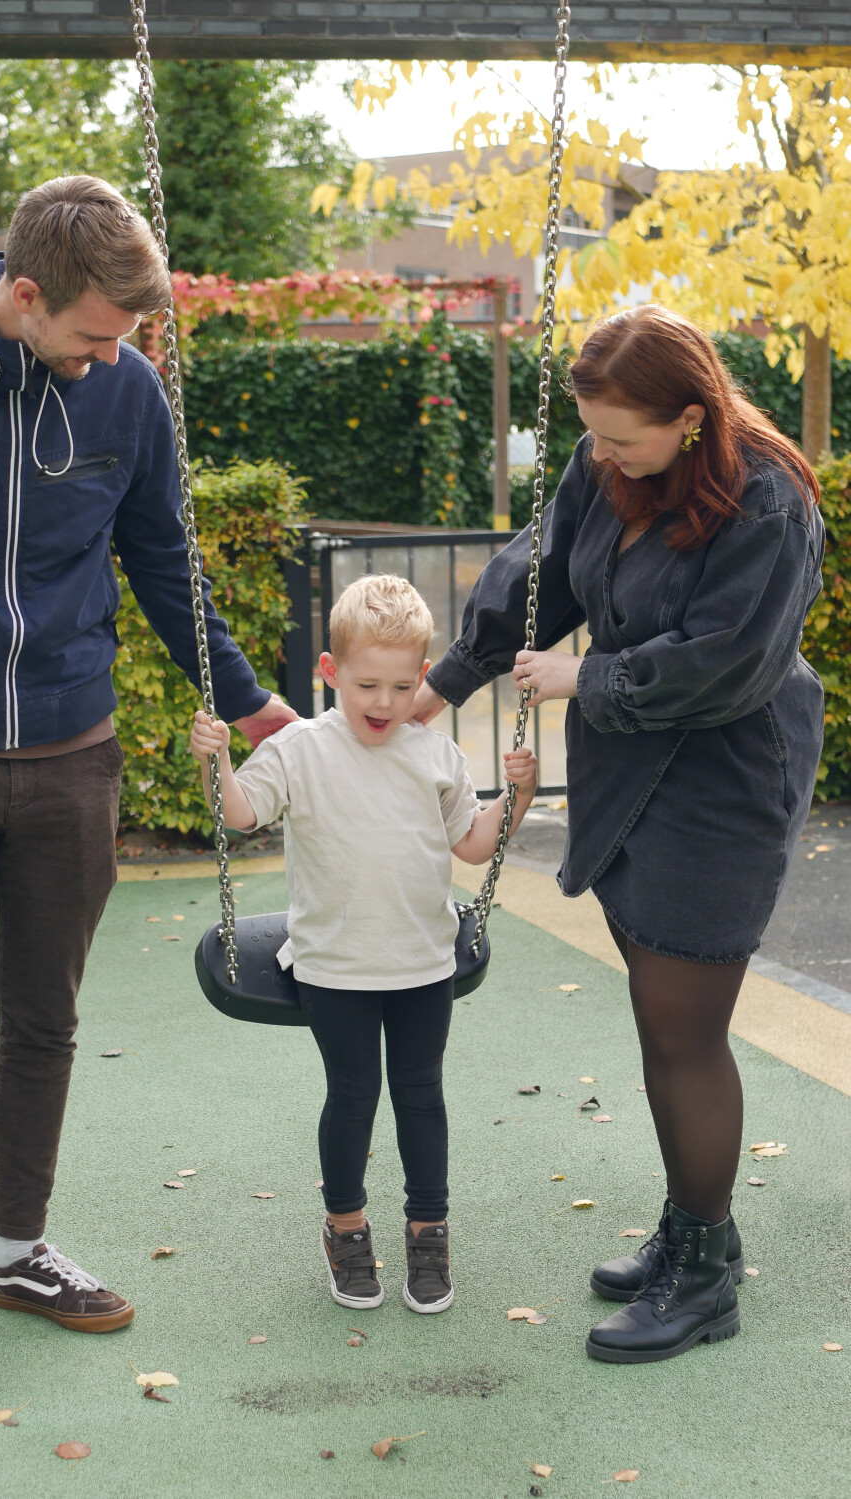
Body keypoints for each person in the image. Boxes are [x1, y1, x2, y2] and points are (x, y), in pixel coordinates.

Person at [0, 175, 296, 1421]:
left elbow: (163, 557)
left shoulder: (127, 389)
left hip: (72, 751)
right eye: (96, 335)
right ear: (25, 292)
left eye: (126, 338)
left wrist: (252, 700)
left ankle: (18, 1250)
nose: (111, 359)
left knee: (44, 1018)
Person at [412, 305, 825, 1363]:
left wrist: (585, 675)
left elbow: (727, 660)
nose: (600, 455)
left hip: (724, 777)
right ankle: (698, 1230)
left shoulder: (769, 501)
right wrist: (447, 679)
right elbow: (541, 567)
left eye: (620, 437)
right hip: (630, 765)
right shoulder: (610, 466)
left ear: (690, 418)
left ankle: (705, 1279)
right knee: (657, 1012)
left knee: (685, 1028)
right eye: (591, 435)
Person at [190, 574, 538, 1315]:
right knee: (352, 1096)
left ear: (422, 676)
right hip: (334, 967)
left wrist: (518, 797)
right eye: (366, 684)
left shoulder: (435, 755)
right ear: (330, 672)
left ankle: (428, 1231)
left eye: (402, 686)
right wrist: (215, 759)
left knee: (421, 1094)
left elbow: (475, 846)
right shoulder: (300, 749)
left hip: (423, 963)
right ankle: (345, 1227)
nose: (384, 702)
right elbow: (242, 814)